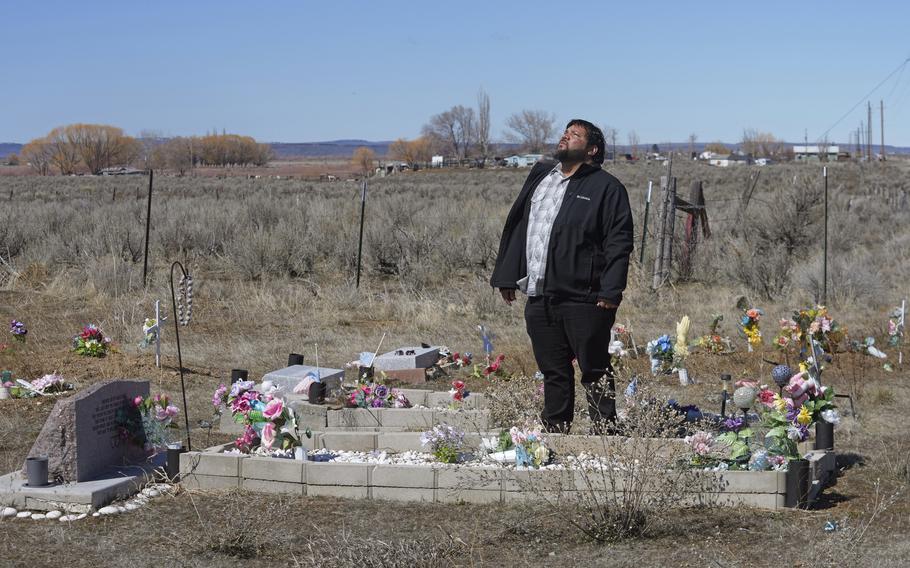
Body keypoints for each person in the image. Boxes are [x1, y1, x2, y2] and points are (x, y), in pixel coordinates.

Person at [490, 119, 634, 433]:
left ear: (592, 149)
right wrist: (507, 275)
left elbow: (619, 242)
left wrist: (611, 292)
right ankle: (556, 433)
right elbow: (519, 226)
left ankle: (605, 434)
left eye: (575, 134)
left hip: (585, 298)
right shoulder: (542, 178)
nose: (565, 136)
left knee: (594, 369)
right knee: (553, 370)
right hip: (540, 294)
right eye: (566, 132)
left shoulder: (606, 188)